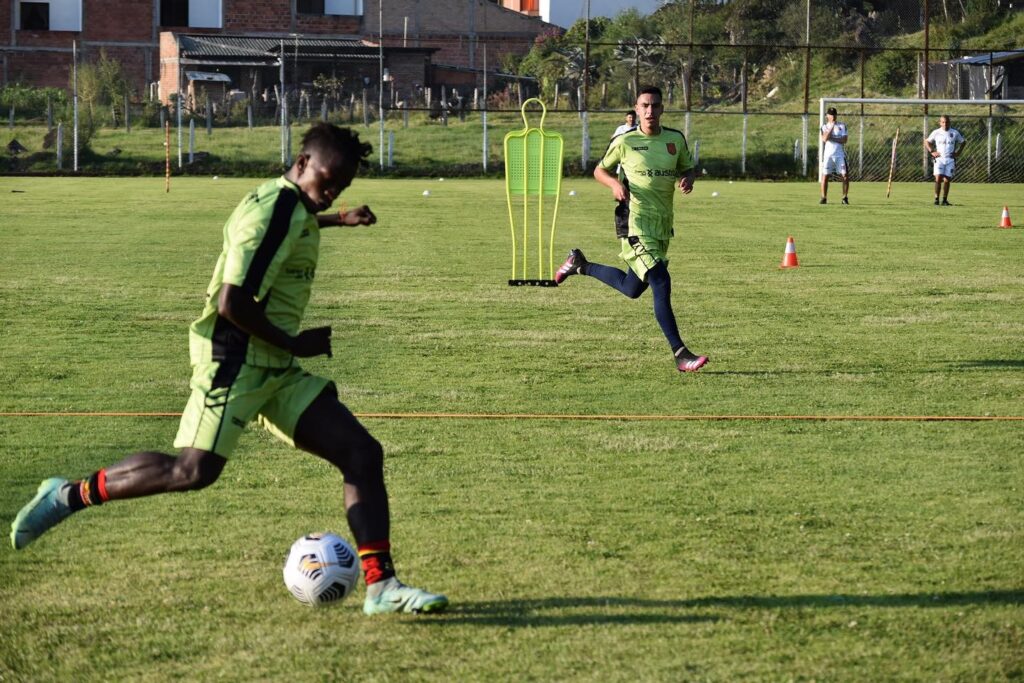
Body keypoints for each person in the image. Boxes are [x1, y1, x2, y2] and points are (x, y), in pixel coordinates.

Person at [9, 122, 448, 616]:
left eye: (340, 187)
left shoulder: (291, 204)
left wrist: (336, 219)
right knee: (192, 471)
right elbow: (231, 303)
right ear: (302, 163)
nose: (330, 193)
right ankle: (68, 495)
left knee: (361, 452)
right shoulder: (273, 210)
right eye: (328, 182)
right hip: (234, 359)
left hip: (273, 364)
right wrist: (296, 343)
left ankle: (381, 586)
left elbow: (290, 227)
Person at [554, 85, 707, 373]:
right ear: (636, 109)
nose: (650, 111)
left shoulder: (675, 139)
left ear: (662, 109)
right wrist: (614, 183)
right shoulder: (625, 141)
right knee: (660, 280)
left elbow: (688, 167)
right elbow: (600, 170)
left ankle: (580, 265)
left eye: (655, 105)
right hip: (634, 221)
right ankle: (680, 353)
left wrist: (688, 178)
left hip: (661, 224)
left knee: (631, 288)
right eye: (644, 106)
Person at [924, 115, 966, 206]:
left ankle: (944, 200)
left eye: (947, 122)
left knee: (947, 180)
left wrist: (958, 152)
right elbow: (926, 141)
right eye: (943, 122)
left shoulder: (954, 132)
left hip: (950, 159)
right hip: (939, 159)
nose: (945, 124)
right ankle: (936, 199)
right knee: (938, 178)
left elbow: (963, 142)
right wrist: (932, 151)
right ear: (940, 123)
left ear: (949, 123)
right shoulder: (936, 132)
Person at [819, 107, 849, 205]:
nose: (833, 116)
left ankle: (844, 197)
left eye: (835, 114)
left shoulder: (842, 126)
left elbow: (844, 140)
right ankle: (824, 197)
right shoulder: (824, 126)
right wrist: (832, 126)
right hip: (828, 156)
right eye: (831, 115)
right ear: (827, 116)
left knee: (845, 176)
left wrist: (832, 138)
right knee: (825, 176)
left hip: (840, 155)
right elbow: (824, 138)